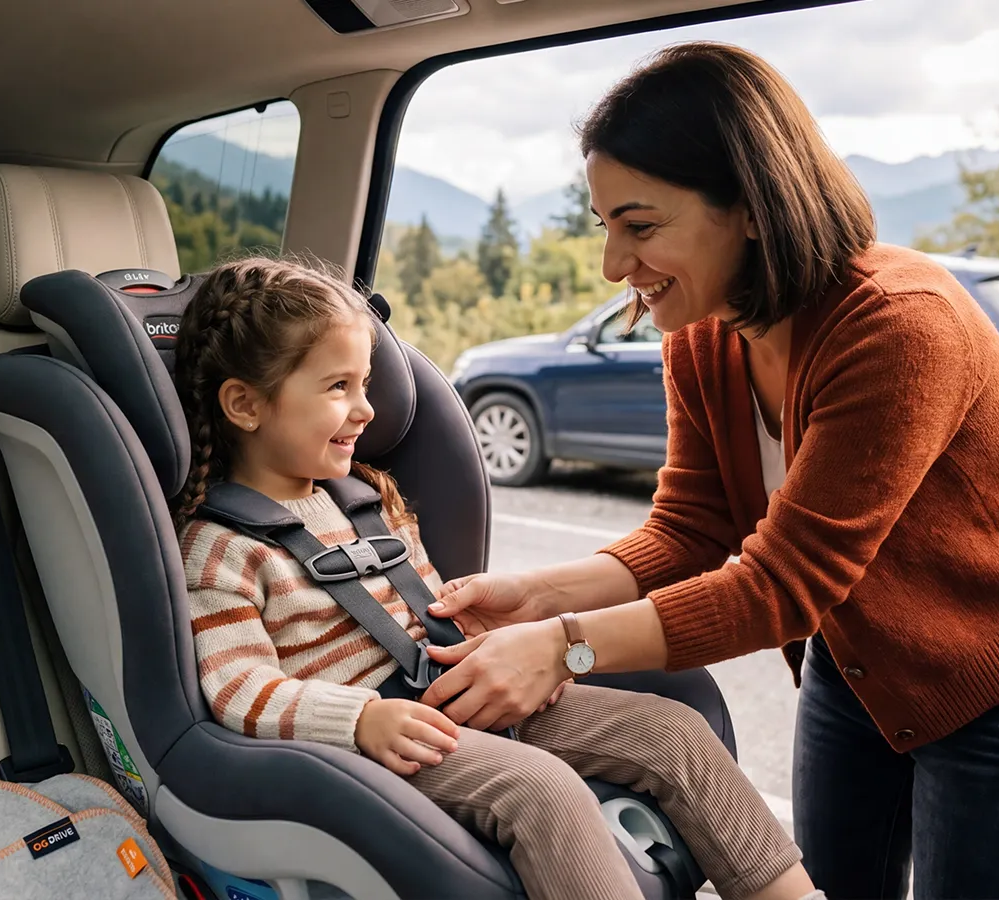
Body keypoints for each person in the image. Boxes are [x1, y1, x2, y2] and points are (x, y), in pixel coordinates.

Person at [422, 43, 999, 900]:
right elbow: (694, 529)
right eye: (604, 227)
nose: (612, 265)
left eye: (640, 225)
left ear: (747, 204)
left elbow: (783, 584)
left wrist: (563, 651)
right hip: (852, 669)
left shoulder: (898, 326)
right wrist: (541, 598)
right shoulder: (706, 333)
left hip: (998, 678)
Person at [171, 256, 820, 900]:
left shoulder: (364, 498)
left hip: (449, 696)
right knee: (543, 790)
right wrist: (361, 719)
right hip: (374, 748)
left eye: (366, 385)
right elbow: (239, 689)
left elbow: (424, 609)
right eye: (338, 387)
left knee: (672, 731)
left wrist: (505, 658)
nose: (366, 409)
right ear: (245, 405)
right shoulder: (221, 549)